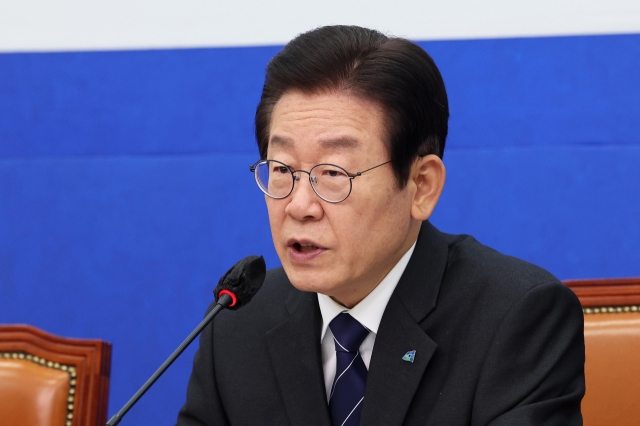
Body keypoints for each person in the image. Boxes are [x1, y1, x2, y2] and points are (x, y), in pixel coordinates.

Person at [176, 25, 585, 426]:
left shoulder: (516, 319)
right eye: (282, 169)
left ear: (421, 186)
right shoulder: (236, 327)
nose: (299, 206)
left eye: (334, 173)